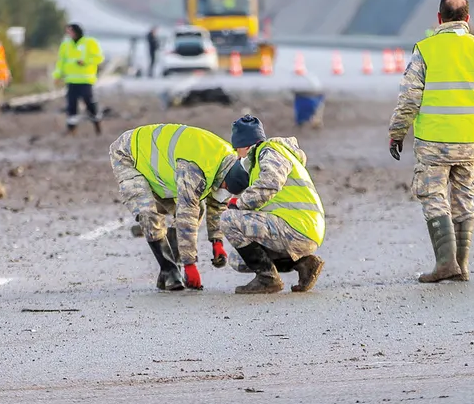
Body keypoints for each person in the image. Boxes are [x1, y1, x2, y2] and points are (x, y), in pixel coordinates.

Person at [388, 0, 474, 283]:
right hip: (472, 142)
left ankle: (445, 264)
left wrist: (397, 132)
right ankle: (462, 267)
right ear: (467, 18)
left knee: (434, 198)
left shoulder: (427, 49)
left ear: (439, 19)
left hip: (433, 144)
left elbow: (409, 99)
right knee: (465, 199)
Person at [109, 123, 249, 292]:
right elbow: (186, 215)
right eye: (225, 187)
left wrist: (216, 241)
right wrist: (190, 265)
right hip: (128, 154)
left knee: (200, 208)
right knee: (148, 213)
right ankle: (169, 270)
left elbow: (218, 201)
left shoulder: (229, 161)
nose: (225, 191)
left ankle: (170, 271)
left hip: (161, 168)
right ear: (225, 180)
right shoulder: (194, 168)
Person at [219, 115, 325, 295]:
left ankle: (268, 279)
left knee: (228, 219)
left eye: (237, 150)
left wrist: (240, 204)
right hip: (304, 228)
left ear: (244, 145)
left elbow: (270, 183)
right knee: (239, 260)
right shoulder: (274, 157)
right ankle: (305, 264)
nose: (238, 156)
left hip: (297, 227)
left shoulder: (269, 151)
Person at [54, 23, 105, 135]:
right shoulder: (65, 44)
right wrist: (57, 76)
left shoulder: (90, 42)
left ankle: (97, 123)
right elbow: (61, 61)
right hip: (71, 80)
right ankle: (71, 128)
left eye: (71, 31)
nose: (69, 34)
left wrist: (86, 61)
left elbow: (99, 57)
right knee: (71, 104)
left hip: (86, 79)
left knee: (89, 103)